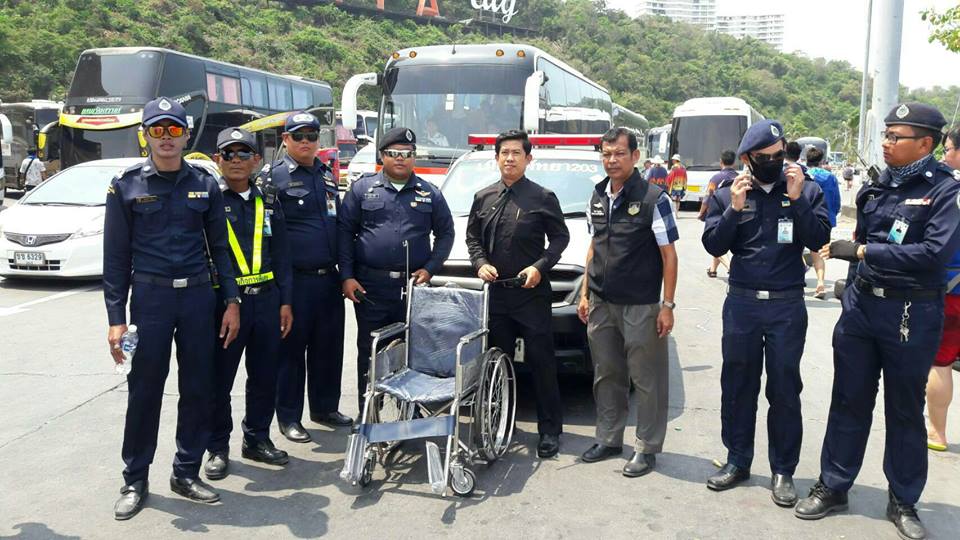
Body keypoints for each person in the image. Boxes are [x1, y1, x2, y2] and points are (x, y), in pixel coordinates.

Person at [797, 103, 960, 540]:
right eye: (885, 135)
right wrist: (851, 293)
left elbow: (933, 253)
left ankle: (903, 499)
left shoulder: (945, 192)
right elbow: (862, 243)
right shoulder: (876, 186)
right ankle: (833, 484)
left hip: (911, 313)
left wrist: (868, 253)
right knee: (848, 399)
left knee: (904, 408)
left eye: (896, 137)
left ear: (925, 143)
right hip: (862, 309)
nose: (886, 143)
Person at [103, 97, 241, 519]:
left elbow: (221, 247)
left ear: (186, 134)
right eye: (158, 130)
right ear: (145, 134)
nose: (166, 138)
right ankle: (135, 478)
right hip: (151, 301)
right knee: (144, 390)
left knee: (199, 387)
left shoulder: (204, 182)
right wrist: (116, 319)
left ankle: (186, 471)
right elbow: (115, 258)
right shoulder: (126, 185)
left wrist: (231, 301)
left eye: (174, 130)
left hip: (199, 298)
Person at [702, 119, 831, 506]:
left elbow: (819, 238)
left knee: (785, 388)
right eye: (766, 158)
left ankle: (783, 470)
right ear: (748, 159)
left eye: (780, 155)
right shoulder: (729, 193)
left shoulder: (806, 188)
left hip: (787, 305)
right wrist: (734, 211)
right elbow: (712, 242)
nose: (775, 162)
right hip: (742, 302)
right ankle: (737, 460)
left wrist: (797, 199)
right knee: (738, 386)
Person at [577, 128, 679, 477]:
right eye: (606, 154)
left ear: (635, 156)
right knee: (607, 374)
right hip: (602, 303)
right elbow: (593, 246)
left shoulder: (654, 198)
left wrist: (667, 305)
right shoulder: (596, 195)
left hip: (641, 304)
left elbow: (669, 255)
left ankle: (647, 448)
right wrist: (585, 293)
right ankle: (609, 438)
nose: (612, 160)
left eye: (619, 153)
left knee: (647, 378)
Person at [466, 130, 570, 458]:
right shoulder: (483, 197)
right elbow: (472, 239)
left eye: (516, 153)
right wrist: (480, 262)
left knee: (542, 364)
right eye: (504, 152)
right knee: (497, 363)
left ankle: (550, 431)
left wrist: (540, 266)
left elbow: (560, 239)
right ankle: (499, 423)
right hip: (496, 297)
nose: (509, 158)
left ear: (528, 158)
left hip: (532, 295)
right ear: (496, 157)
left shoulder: (542, 197)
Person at [339, 127, 455, 410]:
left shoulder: (430, 193)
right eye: (394, 153)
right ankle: (369, 412)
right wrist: (347, 277)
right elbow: (344, 233)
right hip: (370, 287)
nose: (400, 159)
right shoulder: (362, 189)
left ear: (414, 157)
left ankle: (411, 411)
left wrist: (430, 269)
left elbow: (446, 234)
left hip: (413, 289)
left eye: (407, 154)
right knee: (370, 350)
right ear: (382, 156)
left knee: (413, 350)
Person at [203, 128, 293, 481]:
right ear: (217, 160)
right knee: (219, 380)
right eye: (229, 154)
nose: (236, 160)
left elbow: (282, 254)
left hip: (267, 303)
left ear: (257, 160)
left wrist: (286, 302)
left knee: (264, 377)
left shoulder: (268, 199)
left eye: (244, 154)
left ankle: (256, 438)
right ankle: (217, 447)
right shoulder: (208, 199)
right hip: (225, 306)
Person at [265, 111, 351, 445]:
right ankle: (288, 417)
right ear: (285, 139)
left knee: (327, 348)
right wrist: (280, 289)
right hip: (294, 281)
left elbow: (339, 225)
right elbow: (267, 237)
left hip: (328, 280)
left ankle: (325, 407)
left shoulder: (326, 175)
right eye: (298, 136)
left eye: (311, 136)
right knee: (290, 353)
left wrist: (345, 273)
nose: (305, 142)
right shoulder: (273, 178)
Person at [925, 125, 960, 452]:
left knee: (941, 361)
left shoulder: (949, 191)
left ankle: (937, 432)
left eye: (948, 149)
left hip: (951, 292)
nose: (945, 156)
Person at [806, 147, 842, 299]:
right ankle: (820, 282)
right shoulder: (830, 177)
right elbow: (835, 198)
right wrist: (833, 212)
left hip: (804, 216)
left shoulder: (804, 176)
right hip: (824, 216)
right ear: (821, 160)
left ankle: (798, 278)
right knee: (818, 251)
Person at [699, 150, 737, 278]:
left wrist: (701, 212)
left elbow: (707, 197)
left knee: (716, 238)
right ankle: (713, 269)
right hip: (734, 214)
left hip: (717, 214)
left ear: (721, 162)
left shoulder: (715, 178)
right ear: (734, 162)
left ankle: (729, 266)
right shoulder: (738, 177)